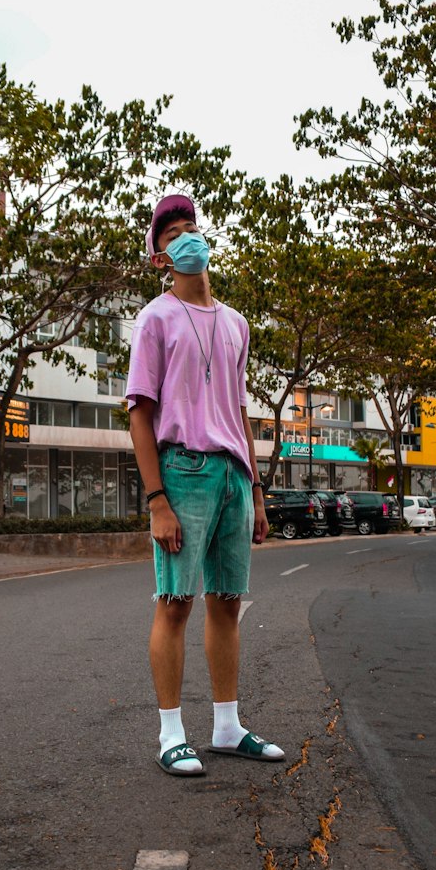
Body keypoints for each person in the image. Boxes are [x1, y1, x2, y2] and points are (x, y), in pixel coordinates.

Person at [125, 192, 284, 776]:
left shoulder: (237, 323)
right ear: (158, 256)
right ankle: (171, 734)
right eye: (171, 234)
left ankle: (226, 726)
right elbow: (139, 411)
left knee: (226, 602)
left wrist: (258, 489)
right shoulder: (155, 318)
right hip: (183, 471)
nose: (185, 237)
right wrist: (156, 500)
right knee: (175, 602)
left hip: (234, 476)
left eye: (190, 227)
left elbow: (239, 408)